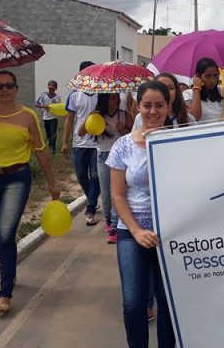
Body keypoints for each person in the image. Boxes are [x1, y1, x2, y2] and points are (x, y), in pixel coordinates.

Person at [0, 71, 60, 314]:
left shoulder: (28, 116)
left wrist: (52, 183)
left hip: (16, 178)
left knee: (5, 233)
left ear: (16, 88)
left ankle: (5, 293)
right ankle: (10, 272)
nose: (4, 90)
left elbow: (41, 150)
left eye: (8, 86)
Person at [106, 80, 176, 347]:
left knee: (168, 301)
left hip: (171, 232)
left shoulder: (181, 142)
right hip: (131, 232)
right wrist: (136, 230)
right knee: (133, 302)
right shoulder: (122, 146)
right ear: (137, 106)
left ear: (168, 107)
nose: (153, 111)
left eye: (160, 105)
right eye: (147, 105)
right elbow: (117, 195)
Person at [80, 93, 133, 244]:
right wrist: (90, 117)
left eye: (117, 97)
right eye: (112, 98)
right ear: (104, 99)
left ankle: (115, 226)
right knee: (106, 194)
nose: (116, 100)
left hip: (121, 158)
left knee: (118, 192)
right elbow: (80, 133)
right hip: (103, 156)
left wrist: (123, 130)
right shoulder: (97, 116)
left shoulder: (124, 115)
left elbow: (134, 136)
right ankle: (108, 219)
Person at [62, 61, 101, 225]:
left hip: (97, 143)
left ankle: (90, 208)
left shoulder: (101, 94)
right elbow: (69, 120)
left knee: (95, 175)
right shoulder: (74, 95)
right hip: (79, 143)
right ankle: (92, 197)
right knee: (81, 175)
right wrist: (65, 141)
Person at [184, 57, 223, 123]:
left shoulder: (221, 90)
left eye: (215, 76)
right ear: (198, 76)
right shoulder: (187, 94)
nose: (212, 80)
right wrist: (196, 88)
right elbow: (195, 117)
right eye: (207, 76)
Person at [35, 80, 62, 153]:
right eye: (50, 88)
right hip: (46, 118)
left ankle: (53, 149)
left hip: (53, 118)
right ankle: (50, 148)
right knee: (48, 135)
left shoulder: (57, 97)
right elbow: (37, 104)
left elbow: (60, 107)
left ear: (55, 88)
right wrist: (45, 106)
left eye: (52, 88)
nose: (51, 90)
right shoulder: (43, 95)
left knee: (53, 133)